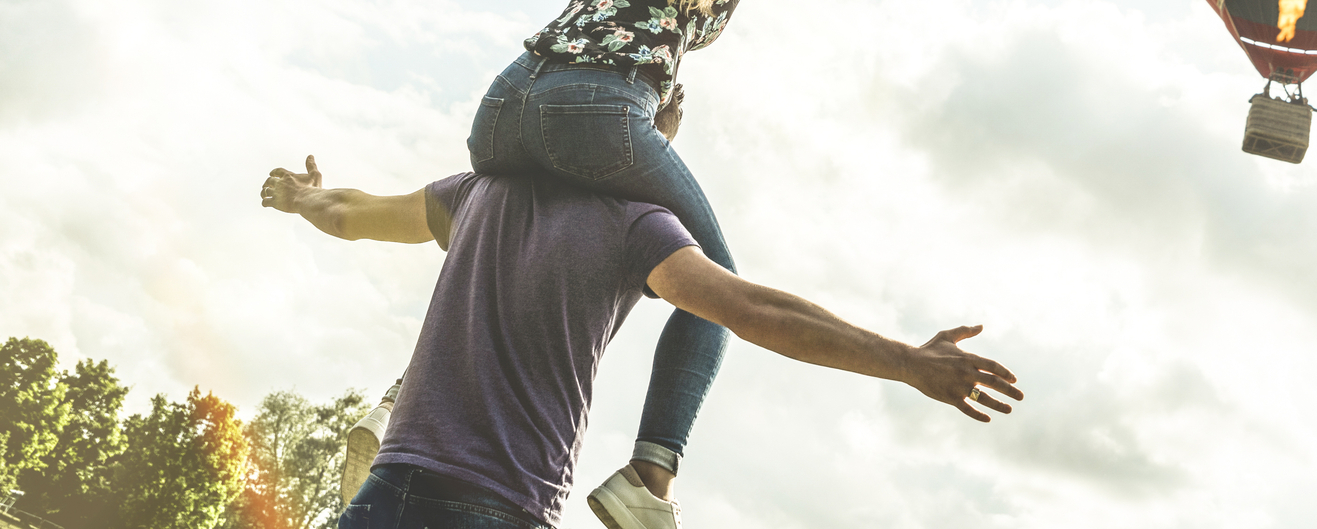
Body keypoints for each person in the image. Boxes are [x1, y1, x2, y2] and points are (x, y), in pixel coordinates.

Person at [465, 0, 1043, 494]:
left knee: (502, 238)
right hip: (594, 112)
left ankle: (406, 401)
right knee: (714, 285)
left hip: (502, 107)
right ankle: (650, 477)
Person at [262, 157, 1021, 529]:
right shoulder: (636, 225)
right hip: (498, 505)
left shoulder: (478, 194)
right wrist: (908, 361)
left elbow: (350, 212)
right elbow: (747, 307)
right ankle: (652, 474)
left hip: (391, 493)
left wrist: (300, 197)